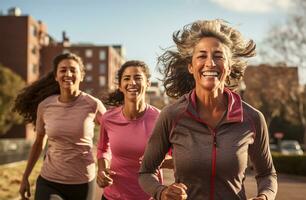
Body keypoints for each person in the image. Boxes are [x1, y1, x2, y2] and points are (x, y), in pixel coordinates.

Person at [139, 19, 277, 200]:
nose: (210, 63)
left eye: (218, 56)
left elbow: (267, 174)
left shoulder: (252, 118)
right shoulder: (172, 115)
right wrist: (162, 192)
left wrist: (265, 197)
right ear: (191, 66)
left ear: (229, 66)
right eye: (202, 56)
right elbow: (146, 172)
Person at [14, 52, 106, 200]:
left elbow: (113, 135)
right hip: (49, 180)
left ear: (81, 76)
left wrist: (104, 165)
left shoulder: (93, 104)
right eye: (63, 70)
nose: (68, 74)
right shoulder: (45, 105)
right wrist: (25, 177)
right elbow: (39, 142)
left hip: (82, 181)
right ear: (56, 76)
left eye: (73, 70)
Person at [96, 60, 164, 200]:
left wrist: (155, 160)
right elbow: (103, 149)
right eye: (127, 78)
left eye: (138, 78)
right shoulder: (108, 118)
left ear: (148, 84)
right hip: (112, 196)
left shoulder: (161, 118)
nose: (132, 82)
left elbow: (174, 156)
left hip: (148, 195)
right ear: (120, 86)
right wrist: (102, 169)